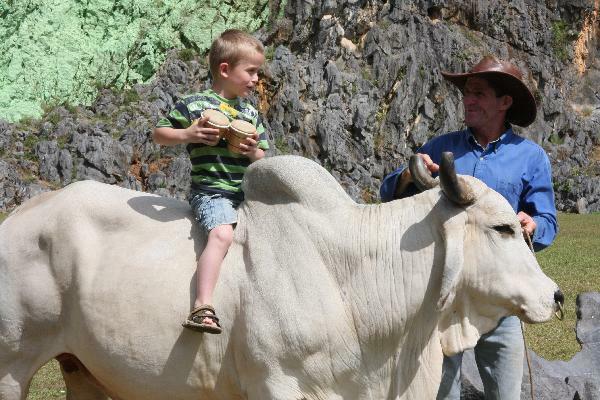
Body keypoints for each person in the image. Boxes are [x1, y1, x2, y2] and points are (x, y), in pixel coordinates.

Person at [380, 55, 558, 399]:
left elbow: (548, 221)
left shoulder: (531, 157)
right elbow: (389, 193)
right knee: (440, 391)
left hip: (499, 295)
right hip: (444, 295)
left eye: (479, 93)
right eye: (467, 93)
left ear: (505, 102)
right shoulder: (441, 147)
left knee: (505, 392)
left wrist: (532, 224)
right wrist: (408, 175)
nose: (468, 100)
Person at [153, 29, 269, 334]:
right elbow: (159, 133)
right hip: (212, 193)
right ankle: (201, 305)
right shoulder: (194, 105)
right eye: (251, 71)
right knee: (221, 235)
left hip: (246, 194)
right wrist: (188, 134)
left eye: (258, 72)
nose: (256, 79)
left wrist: (252, 151)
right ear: (225, 69)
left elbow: (263, 158)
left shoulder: (250, 113)